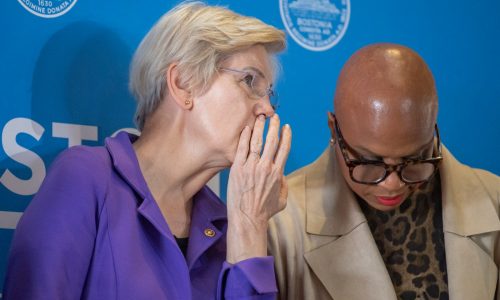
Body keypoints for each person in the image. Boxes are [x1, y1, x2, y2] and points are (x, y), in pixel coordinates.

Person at [3, 2, 292, 299]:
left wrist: (250, 224)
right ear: (183, 84)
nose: (268, 109)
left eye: (268, 93)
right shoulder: (85, 178)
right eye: (249, 81)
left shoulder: (229, 225)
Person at [268, 43, 500, 300]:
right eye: (369, 162)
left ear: (431, 129)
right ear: (334, 130)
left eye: (414, 159)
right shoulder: (279, 222)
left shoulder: (494, 199)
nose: (392, 184)